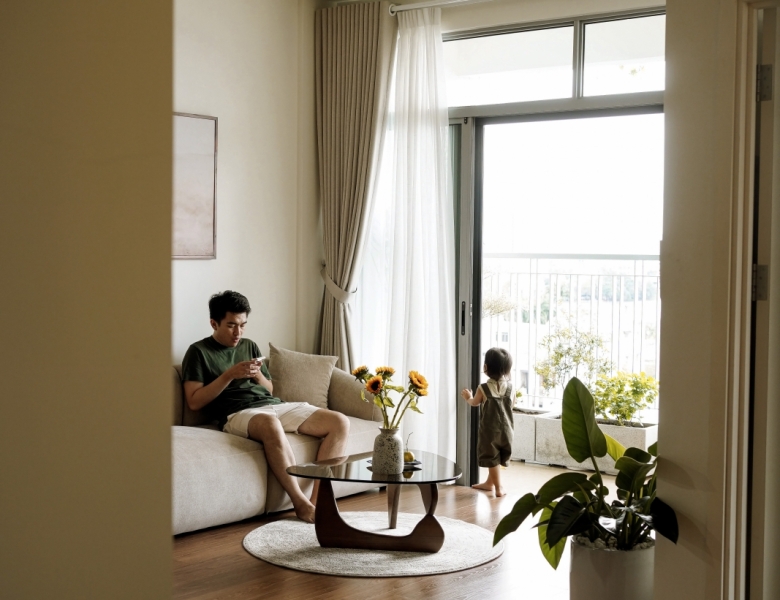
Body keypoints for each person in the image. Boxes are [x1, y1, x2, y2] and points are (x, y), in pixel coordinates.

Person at [181, 290, 349, 523]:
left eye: (243, 325)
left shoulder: (249, 345)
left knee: (339, 422)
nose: (238, 332)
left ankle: (318, 502)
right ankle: (300, 503)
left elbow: (269, 389)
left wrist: (257, 374)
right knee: (270, 424)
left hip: (272, 404)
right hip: (237, 413)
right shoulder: (198, 352)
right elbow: (194, 401)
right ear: (214, 323)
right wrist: (229, 375)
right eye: (231, 325)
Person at [460, 347, 514, 498]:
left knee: (491, 457)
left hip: (490, 431)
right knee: (498, 457)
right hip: (507, 430)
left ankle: (498, 487)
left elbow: (475, 403)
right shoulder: (511, 388)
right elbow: (511, 405)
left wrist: (468, 397)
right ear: (508, 369)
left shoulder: (483, 388)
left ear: (485, 367)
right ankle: (489, 483)